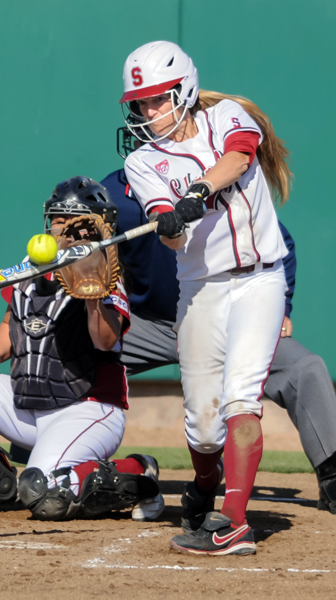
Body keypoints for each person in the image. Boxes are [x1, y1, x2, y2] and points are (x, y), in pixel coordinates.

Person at [101, 132, 336, 520]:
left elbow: (282, 243)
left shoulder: (214, 183)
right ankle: (51, 461)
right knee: (79, 354)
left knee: (304, 368)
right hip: (151, 322)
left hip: (229, 313)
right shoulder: (113, 193)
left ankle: (331, 473)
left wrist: (282, 304)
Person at [118, 39, 292, 556]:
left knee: (242, 394)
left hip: (261, 279)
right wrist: (169, 224)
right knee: (202, 421)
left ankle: (233, 522)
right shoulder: (144, 163)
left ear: (185, 89)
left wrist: (194, 194)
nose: (148, 113)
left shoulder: (227, 117)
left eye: (157, 99)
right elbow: (172, 236)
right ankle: (202, 486)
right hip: (201, 287)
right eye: (140, 104)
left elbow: (238, 159)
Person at [0, 176, 164, 522]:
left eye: (73, 222)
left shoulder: (108, 276)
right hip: (28, 405)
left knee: (45, 494)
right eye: (57, 220)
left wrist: (92, 298)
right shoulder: (30, 270)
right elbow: (12, 321)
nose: (62, 229)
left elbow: (105, 340)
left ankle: (138, 471)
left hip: (88, 409)